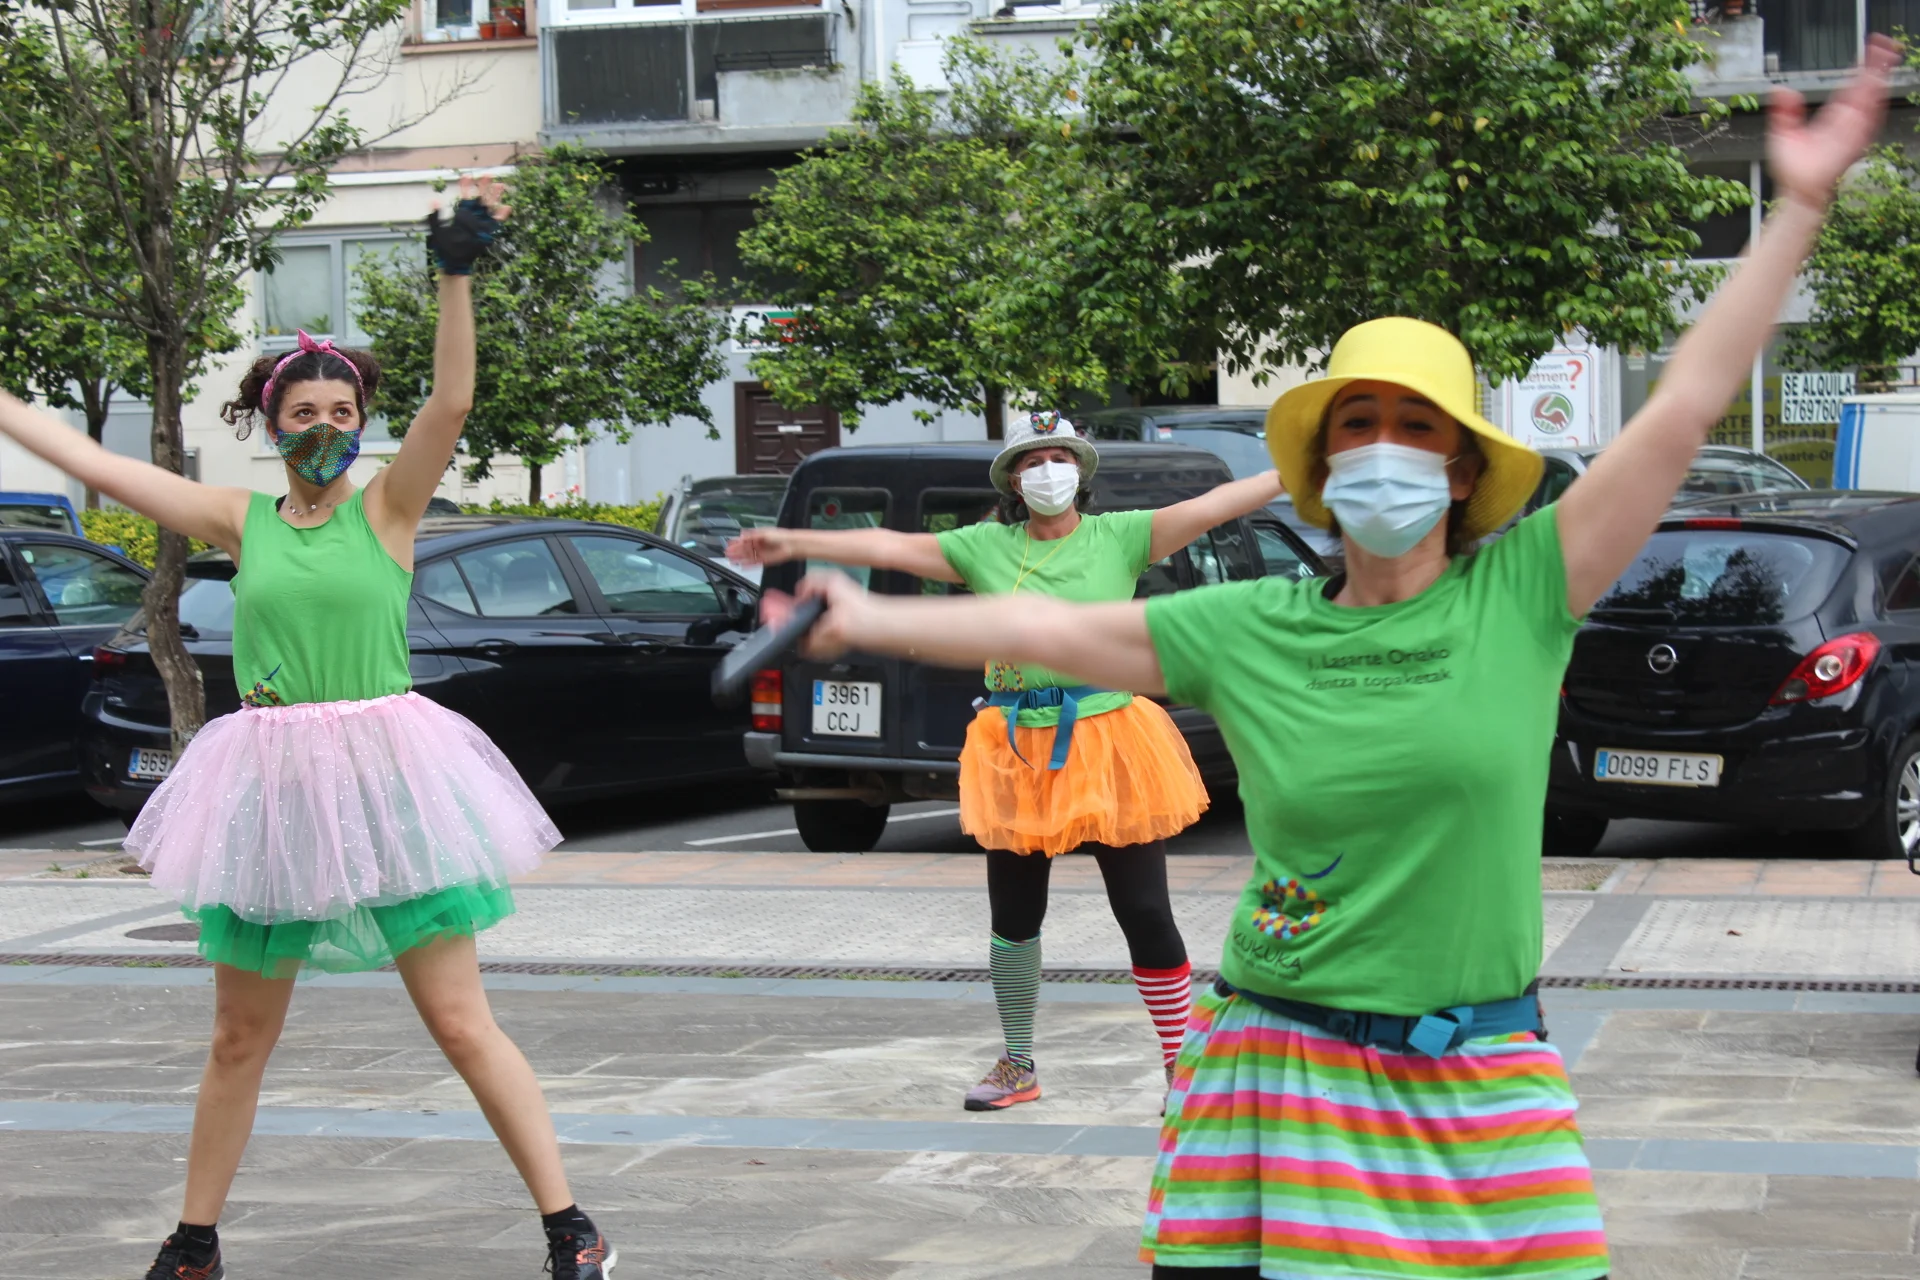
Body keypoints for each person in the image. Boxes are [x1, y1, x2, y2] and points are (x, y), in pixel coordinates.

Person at [759, 44, 1896, 1279]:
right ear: (1321, 461)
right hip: (1277, 1064)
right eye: (1360, 423)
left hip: (1480, 1075)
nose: (1386, 447)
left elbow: (1682, 407)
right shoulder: (1251, 624)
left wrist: (1799, 207)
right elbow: (1039, 630)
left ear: (1461, 468)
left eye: (1418, 426)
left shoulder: (1527, 590)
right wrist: (859, 614)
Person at [0, 179, 617, 1280]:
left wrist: (455, 274)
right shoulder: (240, 520)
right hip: (271, 787)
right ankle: (194, 1244)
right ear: (269, 423)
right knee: (239, 1034)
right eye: (304, 412)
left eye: (342, 412)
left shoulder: (390, 508)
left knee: (460, 1022)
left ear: (360, 422)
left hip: (392, 779)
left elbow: (453, 404)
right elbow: (95, 465)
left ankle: (571, 1227)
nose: (326, 426)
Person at [730, 413, 1283, 1110]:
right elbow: (891, 546)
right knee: (1015, 917)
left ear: (1080, 471)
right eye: (1033, 461)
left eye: (1060, 458)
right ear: (1014, 482)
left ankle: (1181, 1066)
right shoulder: (985, 546)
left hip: (1109, 735)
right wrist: (795, 540)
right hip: (1015, 744)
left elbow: (1215, 506)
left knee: (1144, 909)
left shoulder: (1123, 536)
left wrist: (1295, 469)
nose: (1048, 471)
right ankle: (1018, 1063)